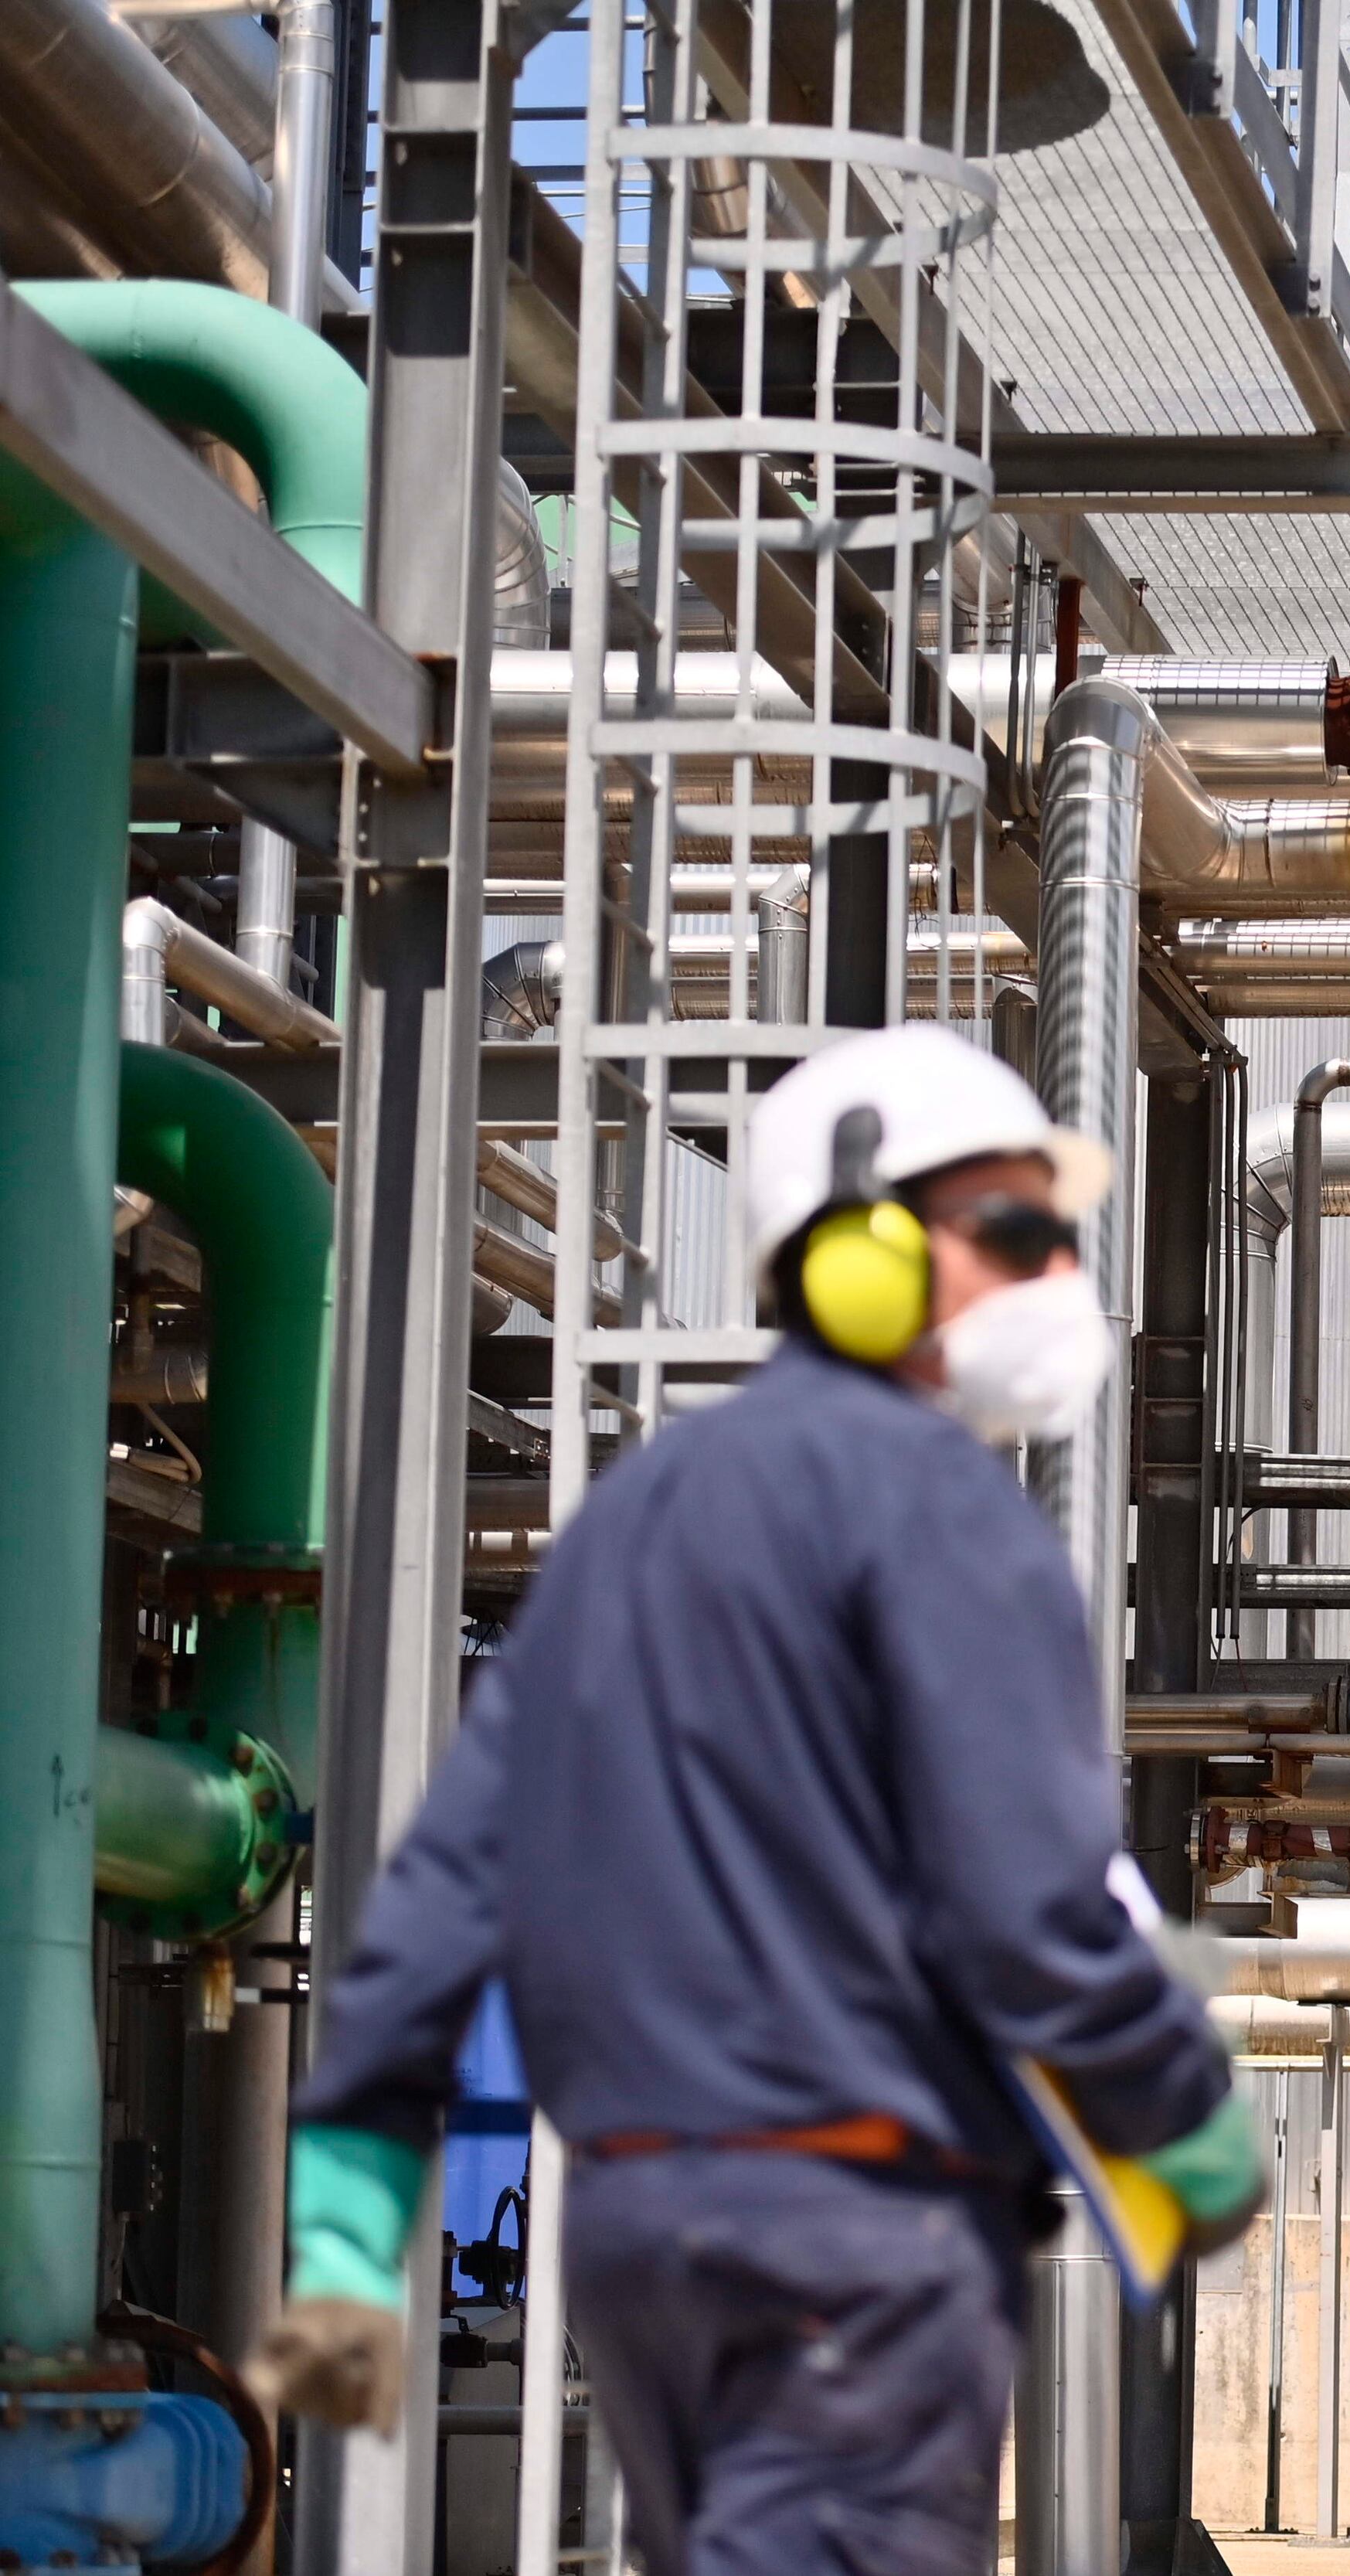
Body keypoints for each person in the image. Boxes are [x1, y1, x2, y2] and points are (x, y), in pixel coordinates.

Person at [248, 1023, 1262, 2576]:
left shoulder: (627, 1521)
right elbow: (1027, 1908)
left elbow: (449, 1882)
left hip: (642, 2234)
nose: (1060, 1273)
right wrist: (1183, 2123)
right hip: (854, 2242)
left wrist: (346, 2205)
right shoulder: (943, 1507)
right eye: (1012, 1229)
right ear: (861, 1256)